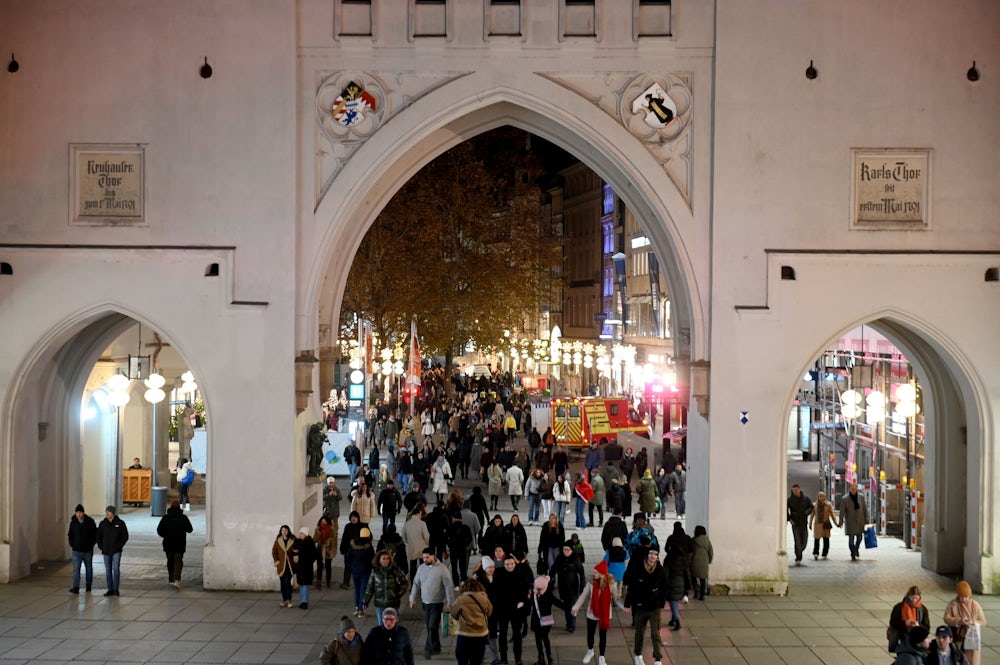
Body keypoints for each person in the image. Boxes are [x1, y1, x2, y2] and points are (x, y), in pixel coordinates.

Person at [572, 560, 624, 665]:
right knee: (590, 634)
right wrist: (575, 607)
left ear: (602, 574)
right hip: (592, 612)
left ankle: (601, 657)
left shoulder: (610, 583)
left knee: (603, 636)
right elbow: (583, 595)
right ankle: (590, 651)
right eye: (594, 572)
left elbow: (616, 598)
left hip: (604, 613)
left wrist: (624, 607)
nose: (593, 574)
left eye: (596, 572)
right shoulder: (591, 582)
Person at [623, 547, 668, 665]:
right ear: (647, 555)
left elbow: (664, 588)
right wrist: (627, 604)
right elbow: (631, 588)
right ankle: (638, 655)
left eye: (655, 554)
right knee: (639, 632)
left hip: (655, 607)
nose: (653, 556)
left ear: (658, 556)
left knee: (655, 633)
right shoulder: (638, 569)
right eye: (651, 553)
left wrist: (661, 603)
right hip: (641, 607)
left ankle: (657, 659)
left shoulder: (660, 570)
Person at [409, 547, 456, 659]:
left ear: (433, 556)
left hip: (437, 602)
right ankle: (436, 646)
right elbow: (416, 583)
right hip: (425, 602)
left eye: (427, 557)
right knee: (430, 626)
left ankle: (428, 648)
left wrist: (450, 603)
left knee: (432, 626)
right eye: (423, 557)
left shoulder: (442, 569)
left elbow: (448, 587)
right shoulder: (421, 568)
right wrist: (412, 598)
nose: (425, 559)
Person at [495, 553, 533, 665]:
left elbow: (527, 590)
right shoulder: (499, 574)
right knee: (502, 634)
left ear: (514, 563)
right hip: (503, 610)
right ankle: (504, 658)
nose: (510, 566)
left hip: (516, 610)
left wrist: (523, 602)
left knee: (517, 634)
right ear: (504, 564)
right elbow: (496, 592)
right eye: (507, 564)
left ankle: (518, 658)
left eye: (512, 564)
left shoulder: (520, 573)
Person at [450, 577, 493, 665]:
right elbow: (489, 612)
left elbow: (454, 613)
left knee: (462, 658)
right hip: (480, 634)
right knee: (477, 660)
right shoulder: (484, 598)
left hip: (465, 634)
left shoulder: (461, 599)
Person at [943, 580, 987, 664]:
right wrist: (959, 621)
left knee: (971, 660)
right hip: (958, 637)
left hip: (972, 637)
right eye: (962, 597)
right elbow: (946, 618)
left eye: (966, 597)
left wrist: (973, 622)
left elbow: (983, 621)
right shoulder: (953, 604)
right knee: (958, 658)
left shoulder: (975, 605)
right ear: (958, 596)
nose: (964, 599)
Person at [364, 550, 410, 625]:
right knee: (381, 625)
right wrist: (365, 601)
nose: (386, 560)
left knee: (392, 624)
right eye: (384, 558)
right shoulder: (375, 572)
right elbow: (370, 588)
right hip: (380, 604)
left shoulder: (395, 571)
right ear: (379, 560)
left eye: (388, 558)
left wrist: (398, 594)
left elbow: (405, 584)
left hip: (392, 603)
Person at [156, 499, 193, 589]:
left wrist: (165, 535)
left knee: (170, 561)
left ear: (170, 507)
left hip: (168, 543)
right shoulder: (183, 518)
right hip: (180, 543)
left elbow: (159, 530)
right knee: (178, 561)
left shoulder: (166, 518)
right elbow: (190, 529)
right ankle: (177, 579)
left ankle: (171, 579)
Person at [548, 541, 584, 633]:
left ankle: (571, 625)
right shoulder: (559, 558)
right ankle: (569, 623)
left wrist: (582, 587)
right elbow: (553, 569)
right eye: (564, 549)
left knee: (571, 606)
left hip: (572, 587)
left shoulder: (576, 559)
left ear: (572, 550)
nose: (566, 551)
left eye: (568, 550)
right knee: (567, 606)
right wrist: (549, 579)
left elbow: (581, 573)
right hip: (563, 587)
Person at [529, 575, 563, 665]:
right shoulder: (535, 593)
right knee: (540, 638)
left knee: (543, 638)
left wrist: (569, 609)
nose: (535, 588)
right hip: (539, 620)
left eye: (537, 587)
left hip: (543, 620)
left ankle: (546, 657)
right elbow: (529, 604)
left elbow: (558, 603)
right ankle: (544, 657)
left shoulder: (546, 594)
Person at [96, 505, 128, 597]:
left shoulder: (120, 523)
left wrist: (119, 546)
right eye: (106, 511)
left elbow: (125, 536)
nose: (107, 513)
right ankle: (110, 589)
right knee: (108, 570)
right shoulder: (103, 524)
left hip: (116, 551)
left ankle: (115, 589)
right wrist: (101, 546)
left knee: (116, 569)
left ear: (113, 513)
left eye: (109, 512)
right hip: (106, 551)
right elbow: (98, 536)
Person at [889, 586, 930, 653]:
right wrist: (904, 624)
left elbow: (927, 627)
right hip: (903, 633)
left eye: (916, 598)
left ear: (919, 597)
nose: (914, 600)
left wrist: (918, 625)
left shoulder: (923, 609)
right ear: (908, 596)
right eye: (912, 598)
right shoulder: (899, 607)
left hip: (917, 636)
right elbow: (893, 622)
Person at [67, 503, 97, 594]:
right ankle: (76, 587)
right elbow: (70, 534)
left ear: (83, 513)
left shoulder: (90, 522)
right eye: (77, 512)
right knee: (76, 569)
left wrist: (91, 544)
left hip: (87, 550)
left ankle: (88, 585)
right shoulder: (73, 522)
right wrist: (72, 544)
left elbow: (95, 534)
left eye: (80, 512)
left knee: (88, 568)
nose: (79, 514)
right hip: (76, 550)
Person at [663, 541, 692, 631]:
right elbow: (687, 574)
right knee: (674, 602)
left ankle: (677, 621)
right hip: (681, 583)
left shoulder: (669, 559)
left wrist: (664, 583)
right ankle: (672, 620)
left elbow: (665, 573)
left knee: (673, 603)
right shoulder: (683, 559)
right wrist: (688, 586)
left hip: (672, 584)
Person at [839, 482, 869, 561]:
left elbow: (864, 509)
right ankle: (853, 553)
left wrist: (867, 519)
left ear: (857, 489)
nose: (853, 490)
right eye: (852, 489)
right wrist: (840, 522)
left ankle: (856, 549)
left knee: (859, 538)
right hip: (850, 521)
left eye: (855, 489)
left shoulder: (861, 497)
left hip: (860, 521)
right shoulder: (845, 498)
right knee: (851, 540)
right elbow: (842, 511)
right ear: (850, 489)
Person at [349, 526, 375, 617]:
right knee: (363, 589)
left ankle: (356, 607)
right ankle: (361, 610)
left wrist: (352, 566)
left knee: (357, 588)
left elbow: (348, 557)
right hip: (365, 571)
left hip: (355, 571)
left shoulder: (353, 545)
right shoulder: (369, 547)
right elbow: (372, 560)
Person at [786, 483, 813, 565]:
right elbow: (785, 509)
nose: (795, 492)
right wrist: (789, 519)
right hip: (795, 523)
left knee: (804, 540)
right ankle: (798, 557)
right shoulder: (790, 500)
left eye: (796, 490)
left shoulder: (806, 498)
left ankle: (799, 550)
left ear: (800, 489)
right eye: (793, 490)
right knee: (797, 540)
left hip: (804, 522)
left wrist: (807, 512)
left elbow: (811, 507)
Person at [402, 504, 431, 580]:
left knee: (413, 568)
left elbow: (404, 538)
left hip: (412, 549)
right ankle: (423, 583)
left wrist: (410, 542)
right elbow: (427, 537)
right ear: (419, 513)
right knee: (423, 567)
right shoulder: (422, 524)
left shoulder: (407, 524)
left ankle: (413, 585)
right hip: (423, 549)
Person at [293, 526, 318, 609]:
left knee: (304, 585)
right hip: (300, 567)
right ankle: (303, 601)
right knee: (301, 584)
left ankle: (304, 602)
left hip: (306, 567)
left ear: (306, 534)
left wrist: (299, 552)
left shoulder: (309, 542)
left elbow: (312, 555)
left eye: (302, 533)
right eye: (300, 533)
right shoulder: (298, 542)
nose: (300, 535)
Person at [271, 524, 296, 608]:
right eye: (282, 530)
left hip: (289, 566)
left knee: (287, 582)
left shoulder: (293, 540)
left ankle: (289, 600)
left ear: (288, 531)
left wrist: (295, 556)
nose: (284, 532)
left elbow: (296, 550)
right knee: (282, 583)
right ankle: (284, 600)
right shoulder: (278, 541)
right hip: (281, 566)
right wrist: (276, 560)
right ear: (280, 532)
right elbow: (274, 551)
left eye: (285, 530)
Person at [340, 510, 365, 590]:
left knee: (358, 567)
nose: (353, 519)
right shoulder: (348, 526)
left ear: (358, 518)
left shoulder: (362, 526)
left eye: (355, 517)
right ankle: (346, 583)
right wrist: (342, 549)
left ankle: (360, 583)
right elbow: (344, 538)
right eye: (352, 517)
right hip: (349, 550)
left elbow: (367, 538)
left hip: (358, 550)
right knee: (348, 566)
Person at [689, 525, 713, 600]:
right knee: (703, 580)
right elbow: (711, 551)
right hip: (704, 561)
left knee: (693, 578)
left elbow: (690, 552)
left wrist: (689, 560)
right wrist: (709, 560)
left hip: (694, 562)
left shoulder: (693, 540)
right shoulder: (707, 540)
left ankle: (696, 592)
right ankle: (702, 595)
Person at [809, 491, 835, 560]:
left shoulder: (828, 505)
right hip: (817, 525)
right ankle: (816, 553)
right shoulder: (815, 505)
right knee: (817, 539)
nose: (821, 497)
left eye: (823, 496)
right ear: (818, 497)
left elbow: (832, 514)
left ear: (825, 497)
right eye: (820, 496)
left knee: (826, 539)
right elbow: (812, 515)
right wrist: (810, 523)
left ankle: (825, 553)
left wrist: (836, 523)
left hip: (825, 524)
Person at [315, 515, 337, 590]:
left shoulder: (332, 530)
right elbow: (315, 539)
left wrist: (332, 552)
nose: (323, 522)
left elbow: (334, 542)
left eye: (325, 521)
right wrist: (318, 536)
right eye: (322, 521)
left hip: (328, 551)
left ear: (327, 522)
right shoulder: (317, 530)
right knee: (319, 567)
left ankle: (328, 582)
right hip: (319, 550)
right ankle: (319, 582)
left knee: (328, 567)